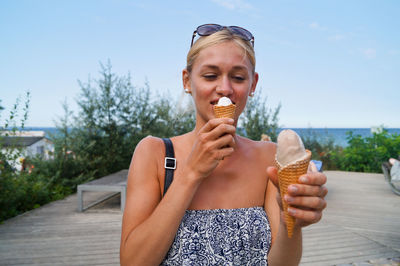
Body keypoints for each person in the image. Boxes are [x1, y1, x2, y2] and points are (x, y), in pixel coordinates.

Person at [120, 24, 328, 265]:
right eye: (210, 75)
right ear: (187, 81)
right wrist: (191, 173)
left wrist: (289, 219)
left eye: (238, 77)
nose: (225, 89)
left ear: (253, 84)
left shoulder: (270, 157)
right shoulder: (154, 153)